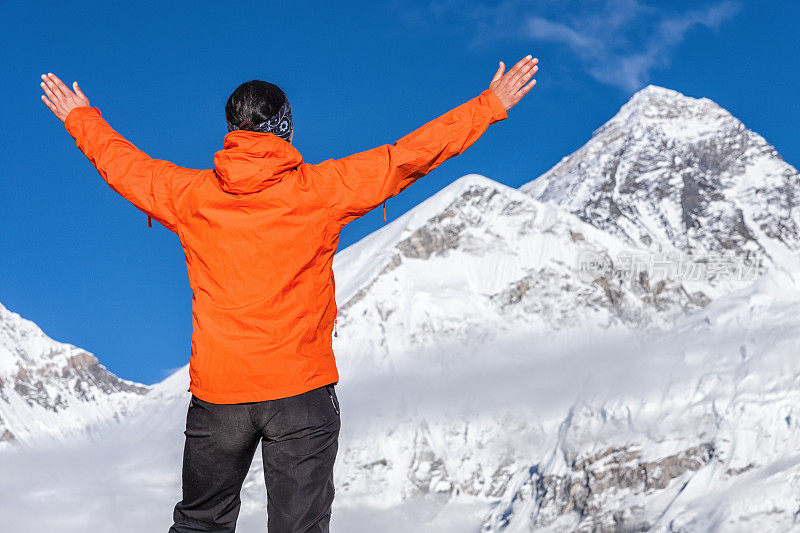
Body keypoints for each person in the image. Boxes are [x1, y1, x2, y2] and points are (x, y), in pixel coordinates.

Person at [39, 54, 539, 532]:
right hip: (300, 393)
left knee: (199, 524)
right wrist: (489, 105)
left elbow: (124, 166)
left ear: (232, 132)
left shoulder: (190, 196)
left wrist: (80, 117)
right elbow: (405, 156)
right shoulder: (322, 190)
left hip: (219, 397)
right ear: (285, 129)